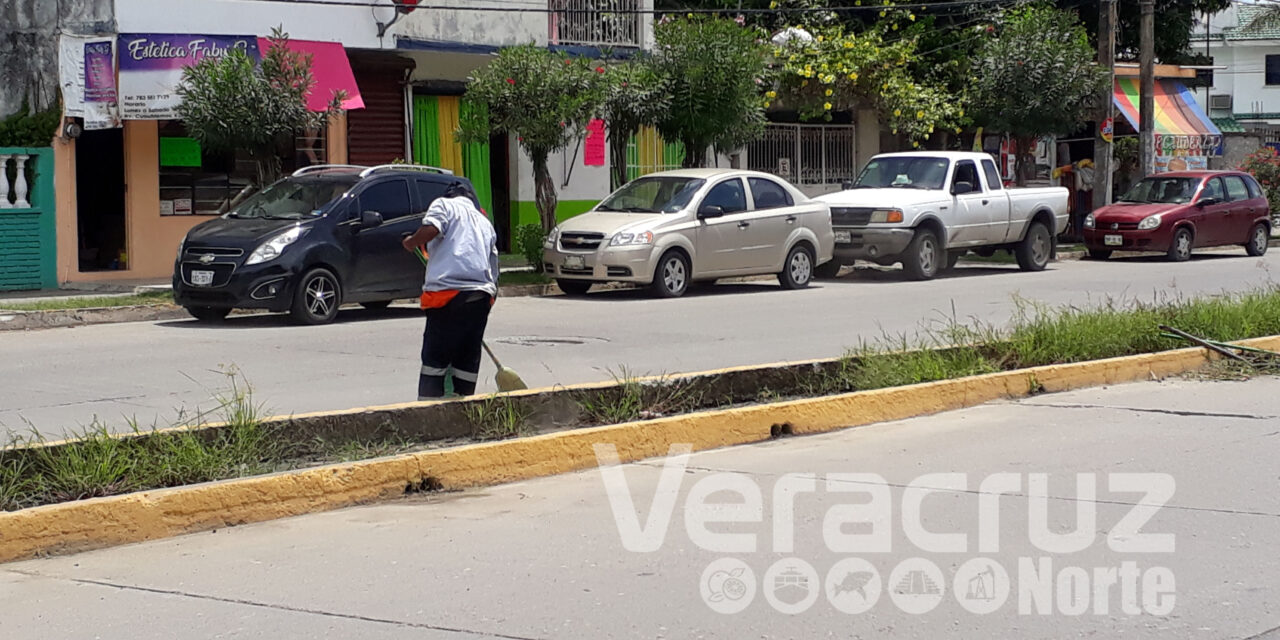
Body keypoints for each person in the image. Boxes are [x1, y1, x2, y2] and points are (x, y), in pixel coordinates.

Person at [401, 181, 499, 400]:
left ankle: (429, 412)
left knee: (435, 361)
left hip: (448, 297)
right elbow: (494, 269)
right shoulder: (484, 221)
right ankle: (464, 410)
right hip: (480, 297)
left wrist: (410, 242)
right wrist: (485, 303)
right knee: (467, 361)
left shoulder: (444, 205)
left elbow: (432, 228)